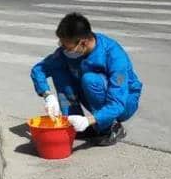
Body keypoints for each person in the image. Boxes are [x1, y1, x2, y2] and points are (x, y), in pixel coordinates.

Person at [30, 12, 142, 147]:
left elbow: (117, 102)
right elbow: (39, 70)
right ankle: (72, 121)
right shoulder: (67, 52)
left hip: (124, 102)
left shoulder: (114, 55)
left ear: (83, 43)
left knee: (90, 80)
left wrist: (90, 120)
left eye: (66, 46)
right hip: (98, 96)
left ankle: (109, 127)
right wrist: (47, 95)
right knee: (59, 72)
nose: (62, 49)